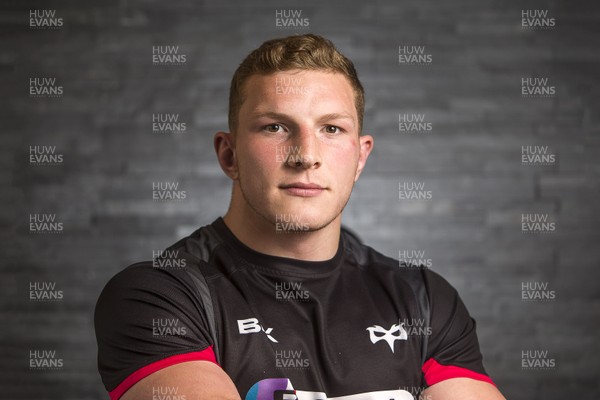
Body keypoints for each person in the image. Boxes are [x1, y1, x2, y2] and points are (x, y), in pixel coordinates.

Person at [94, 34, 506, 400]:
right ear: (229, 154)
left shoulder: (424, 300)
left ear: (360, 156)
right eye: (275, 127)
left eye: (331, 129)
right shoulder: (159, 296)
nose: (306, 155)